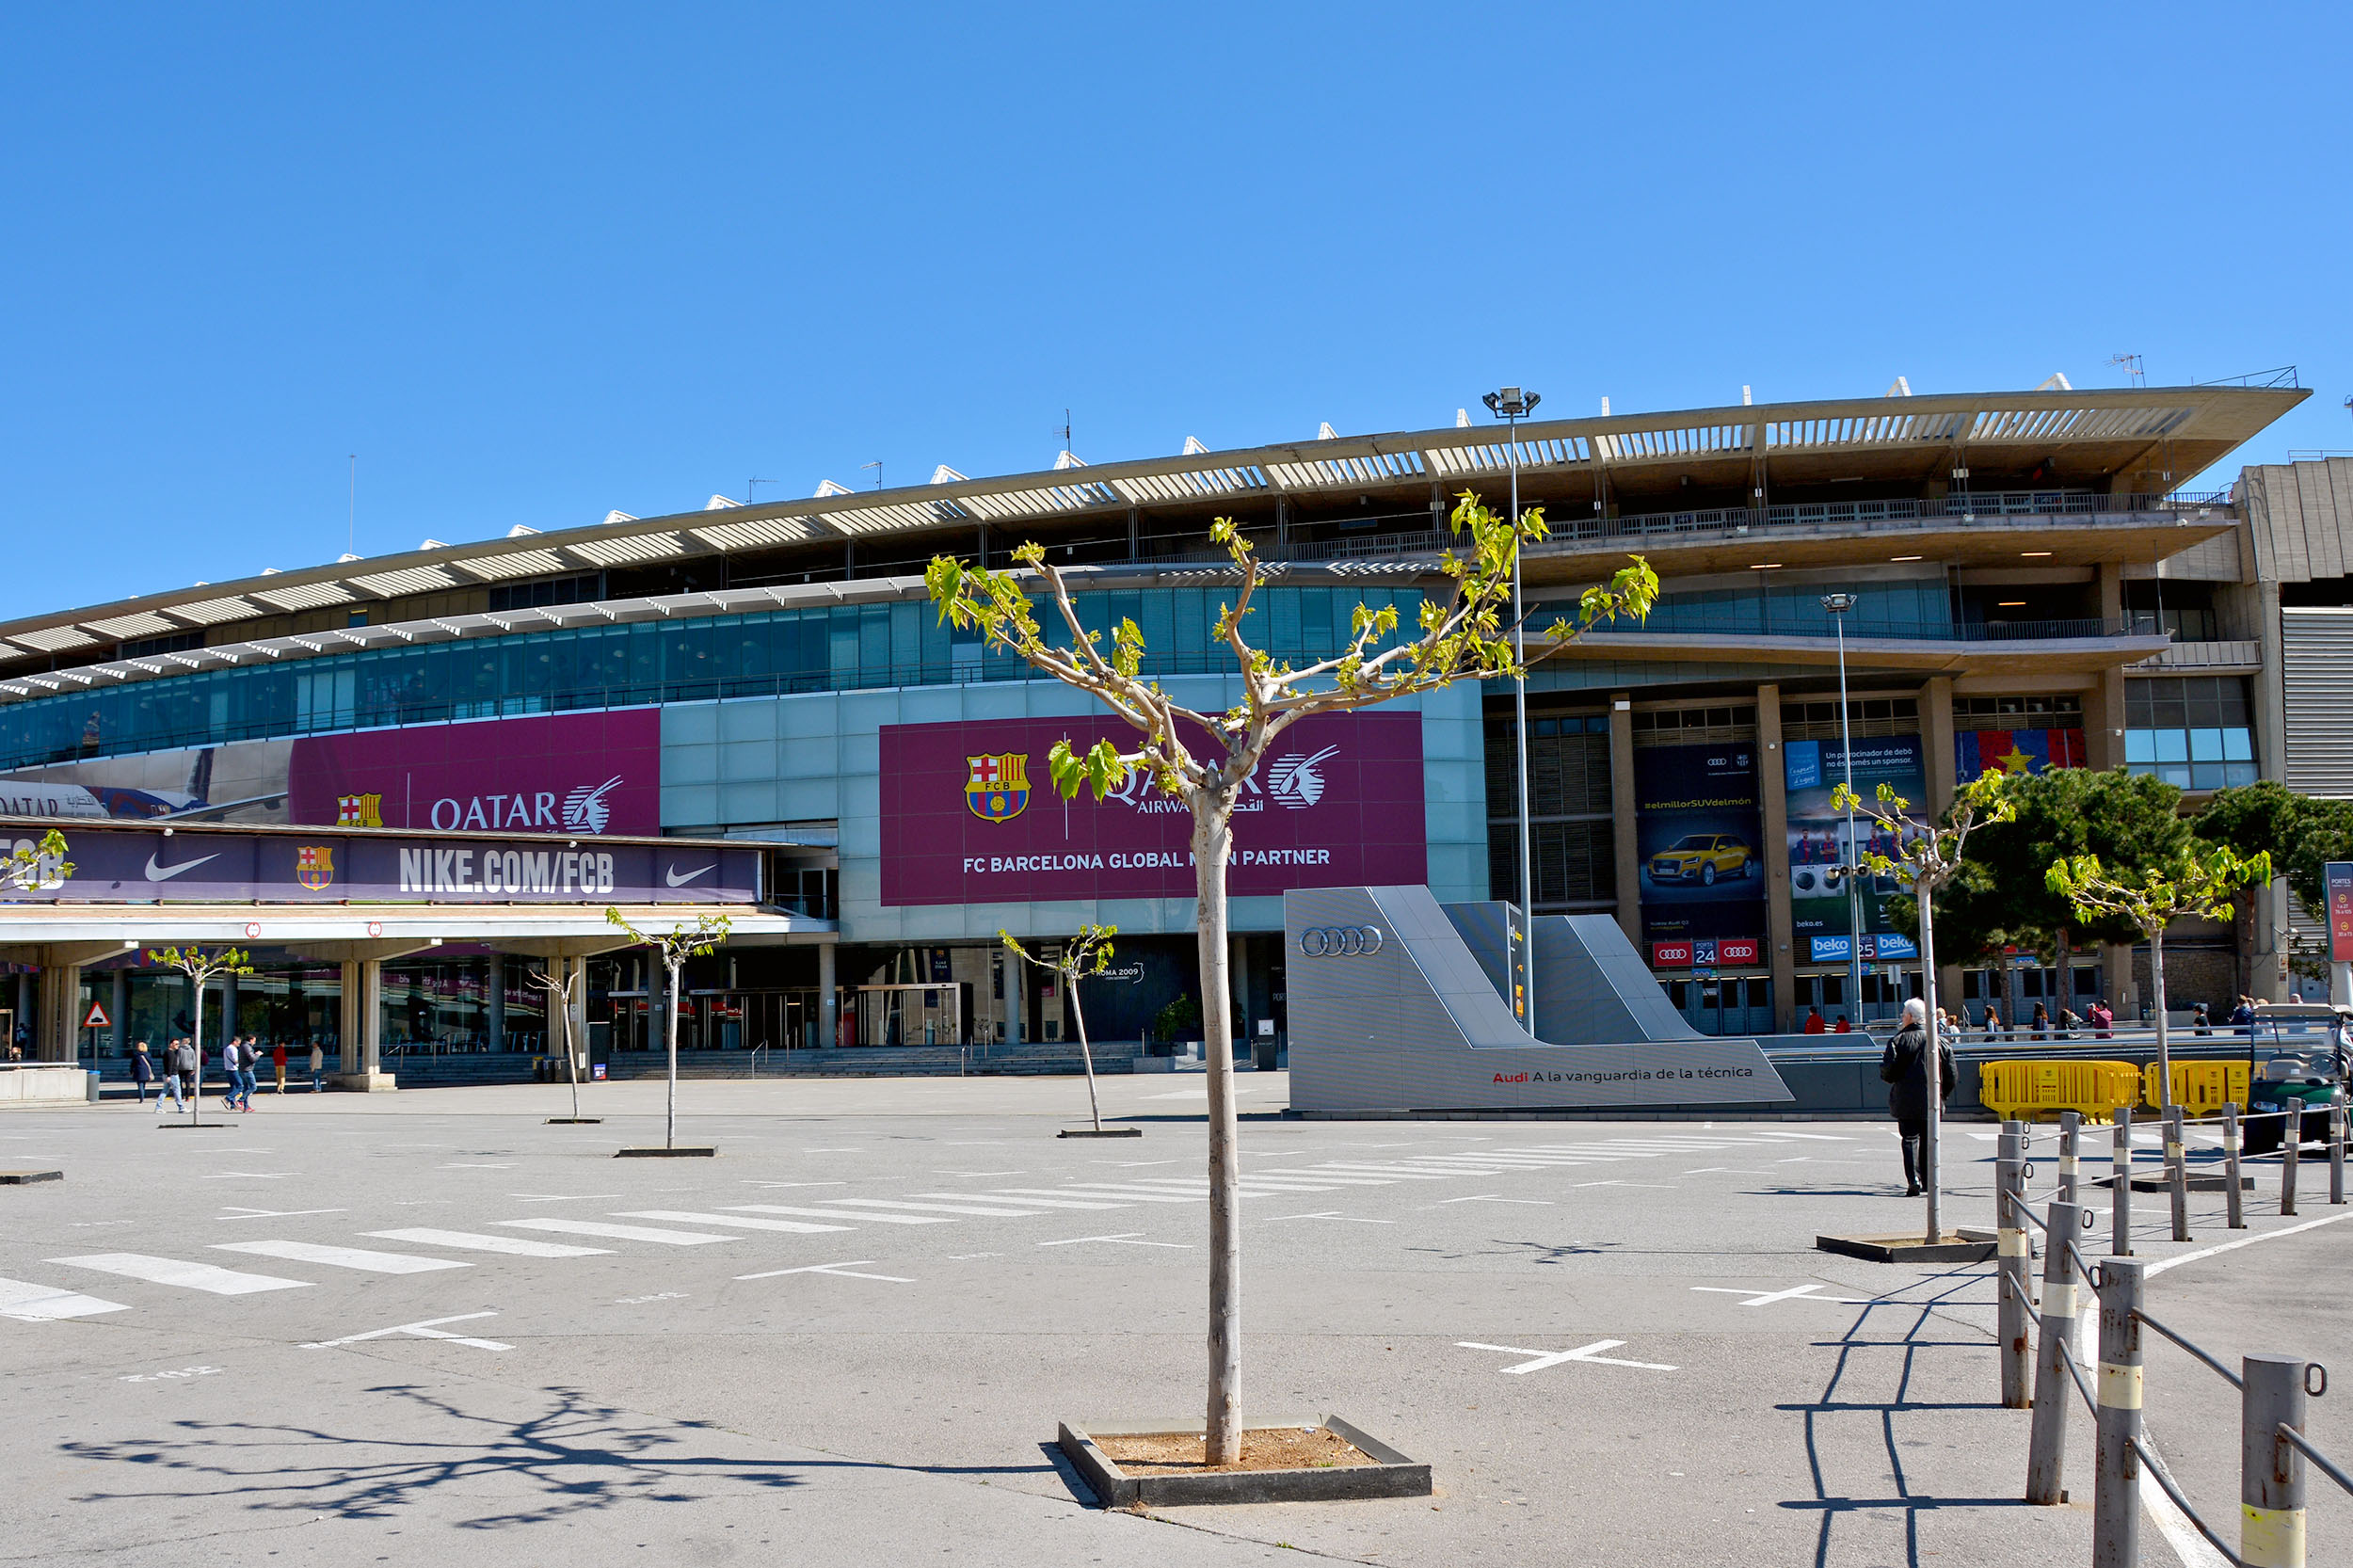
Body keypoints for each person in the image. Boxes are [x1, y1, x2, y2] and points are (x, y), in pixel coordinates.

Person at [1879, 997, 1955, 1198]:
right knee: (1930, 1140)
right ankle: (1929, 1181)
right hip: (1932, 1100)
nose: (1902, 1019)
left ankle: (1913, 1180)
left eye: (1903, 1015)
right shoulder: (1939, 1042)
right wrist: (1942, 1094)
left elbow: (1887, 1072)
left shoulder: (1897, 1041)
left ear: (1910, 1017)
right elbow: (1951, 1074)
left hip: (1905, 1099)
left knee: (1909, 1139)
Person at [131, 1040, 154, 1105]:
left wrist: (131, 1071)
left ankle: (141, 1098)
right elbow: (151, 1063)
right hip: (146, 1071)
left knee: (140, 1085)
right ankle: (142, 1096)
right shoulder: (147, 1054)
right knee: (143, 1085)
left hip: (138, 1071)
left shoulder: (136, 1055)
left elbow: (132, 1064)